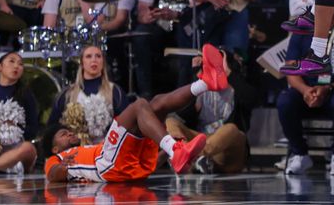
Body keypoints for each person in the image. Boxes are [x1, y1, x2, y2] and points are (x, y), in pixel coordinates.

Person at [43, 43, 229, 181]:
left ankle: (205, 83)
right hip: (108, 164)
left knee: (155, 103)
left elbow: (133, 132)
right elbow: (51, 174)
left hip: (130, 162)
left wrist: (162, 155)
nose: (68, 132)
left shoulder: (113, 91)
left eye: (98, 56)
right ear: (55, 149)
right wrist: (62, 167)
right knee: (141, 105)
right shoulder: (58, 158)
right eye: (89, 56)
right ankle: (175, 150)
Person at [277, 14, 334, 175]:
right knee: (284, 101)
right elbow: (290, 69)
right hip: (307, 92)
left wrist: (329, 88)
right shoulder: (300, 33)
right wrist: (305, 90)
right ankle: (300, 154)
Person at [165, 50, 257, 175]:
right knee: (171, 121)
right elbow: (180, 113)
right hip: (201, 140)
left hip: (227, 151)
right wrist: (194, 77)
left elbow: (253, 99)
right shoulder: (201, 86)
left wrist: (228, 73)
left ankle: (195, 157)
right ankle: (182, 154)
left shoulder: (236, 87)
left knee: (231, 129)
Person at [47, 45, 128, 143]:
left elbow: (126, 124)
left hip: (106, 150)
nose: (94, 60)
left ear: (103, 62)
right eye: (89, 56)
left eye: (98, 56)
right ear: (82, 63)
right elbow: (52, 128)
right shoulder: (67, 94)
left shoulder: (115, 91)